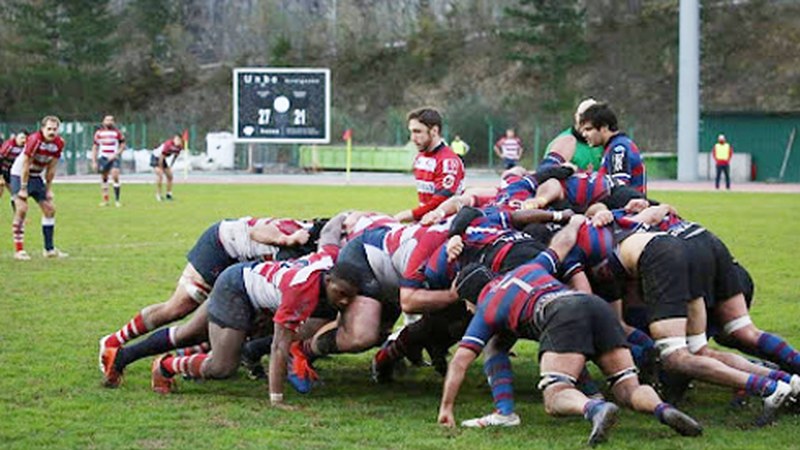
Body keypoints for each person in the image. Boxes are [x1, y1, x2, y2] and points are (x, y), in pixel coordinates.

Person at [437, 216, 703, 446]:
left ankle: (594, 408)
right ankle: (662, 409)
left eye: (466, 304)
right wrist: (574, 223)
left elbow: (460, 361)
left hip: (561, 314)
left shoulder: (488, 306)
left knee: (555, 396)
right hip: (595, 306)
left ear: (471, 297)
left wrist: (447, 407)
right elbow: (561, 245)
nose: (468, 309)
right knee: (627, 387)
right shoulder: (528, 268)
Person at [98, 216, 323, 387]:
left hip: (243, 275)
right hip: (222, 248)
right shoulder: (303, 239)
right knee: (179, 308)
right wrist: (286, 239)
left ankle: (180, 360)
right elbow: (257, 231)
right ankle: (114, 342)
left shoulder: (321, 249)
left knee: (229, 328)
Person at [9, 116, 68, 260]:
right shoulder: (35, 140)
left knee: (49, 209)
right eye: (49, 129)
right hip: (19, 174)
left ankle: (49, 249)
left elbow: (51, 168)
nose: (52, 132)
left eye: (54, 129)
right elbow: (25, 164)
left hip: (36, 176)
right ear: (42, 128)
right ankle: (19, 250)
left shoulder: (58, 143)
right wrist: (23, 188)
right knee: (22, 209)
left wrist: (48, 189)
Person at [394, 108, 465, 223]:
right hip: (426, 222)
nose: (412, 138)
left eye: (418, 131)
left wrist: (410, 215)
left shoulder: (448, 162)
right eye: (411, 132)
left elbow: (440, 202)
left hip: (445, 226)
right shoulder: (420, 158)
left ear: (434, 131)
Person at [579, 103, 647, 195]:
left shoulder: (618, 149)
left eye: (588, 129)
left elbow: (620, 187)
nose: (584, 135)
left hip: (628, 207)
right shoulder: (614, 146)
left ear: (604, 128)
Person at [542, 98, 603, 171]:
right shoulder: (561, 144)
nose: (585, 120)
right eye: (582, 116)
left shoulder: (603, 143)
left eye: (591, 117)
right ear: (576, 116)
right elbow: (547, 173)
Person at [91, 115, 126, 207]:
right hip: (103, 157)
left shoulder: (117, 133)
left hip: (114, 157)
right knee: (104, 178)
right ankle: (105, 200)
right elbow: (95, 147)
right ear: (103, 122)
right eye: (107, 120)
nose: (109, 122)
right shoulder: (98, 133)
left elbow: (122, 145)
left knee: (115, 175)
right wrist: (94, 161)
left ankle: (117, 200)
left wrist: (116, 154)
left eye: (111, 120)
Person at [150, 134, 184, 201]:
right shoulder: (168, 145)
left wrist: (171, 166)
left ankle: (169, 194)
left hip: (163, 159)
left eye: (179, 140)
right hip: (156, 157)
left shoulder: (179, 147)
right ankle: (158, 195)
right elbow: (161, 157)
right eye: (176, 139)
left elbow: (175, 156)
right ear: (173, 139)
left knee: (170, 176)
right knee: (160, 175)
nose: (177, 141)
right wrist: (160, 168)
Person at [0, 131, 27, 210]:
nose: (23, 140)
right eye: (21, 138)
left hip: (10, 171)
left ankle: (18, 215)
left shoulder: (25, 148)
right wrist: (1, 177)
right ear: (16, 137)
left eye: (25, 138)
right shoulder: (9, 145)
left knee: (15, 193)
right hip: (2, 169)